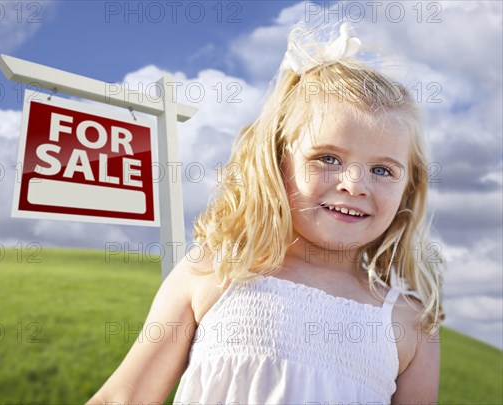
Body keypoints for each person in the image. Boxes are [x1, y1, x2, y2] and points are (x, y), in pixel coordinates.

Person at [86, 22, 444, 404]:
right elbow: (123, 398)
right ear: (277, 160)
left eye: (382, 170)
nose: (354, 184)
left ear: (409, 185)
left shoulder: (410, 324)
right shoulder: (216, 270)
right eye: (327, 158)